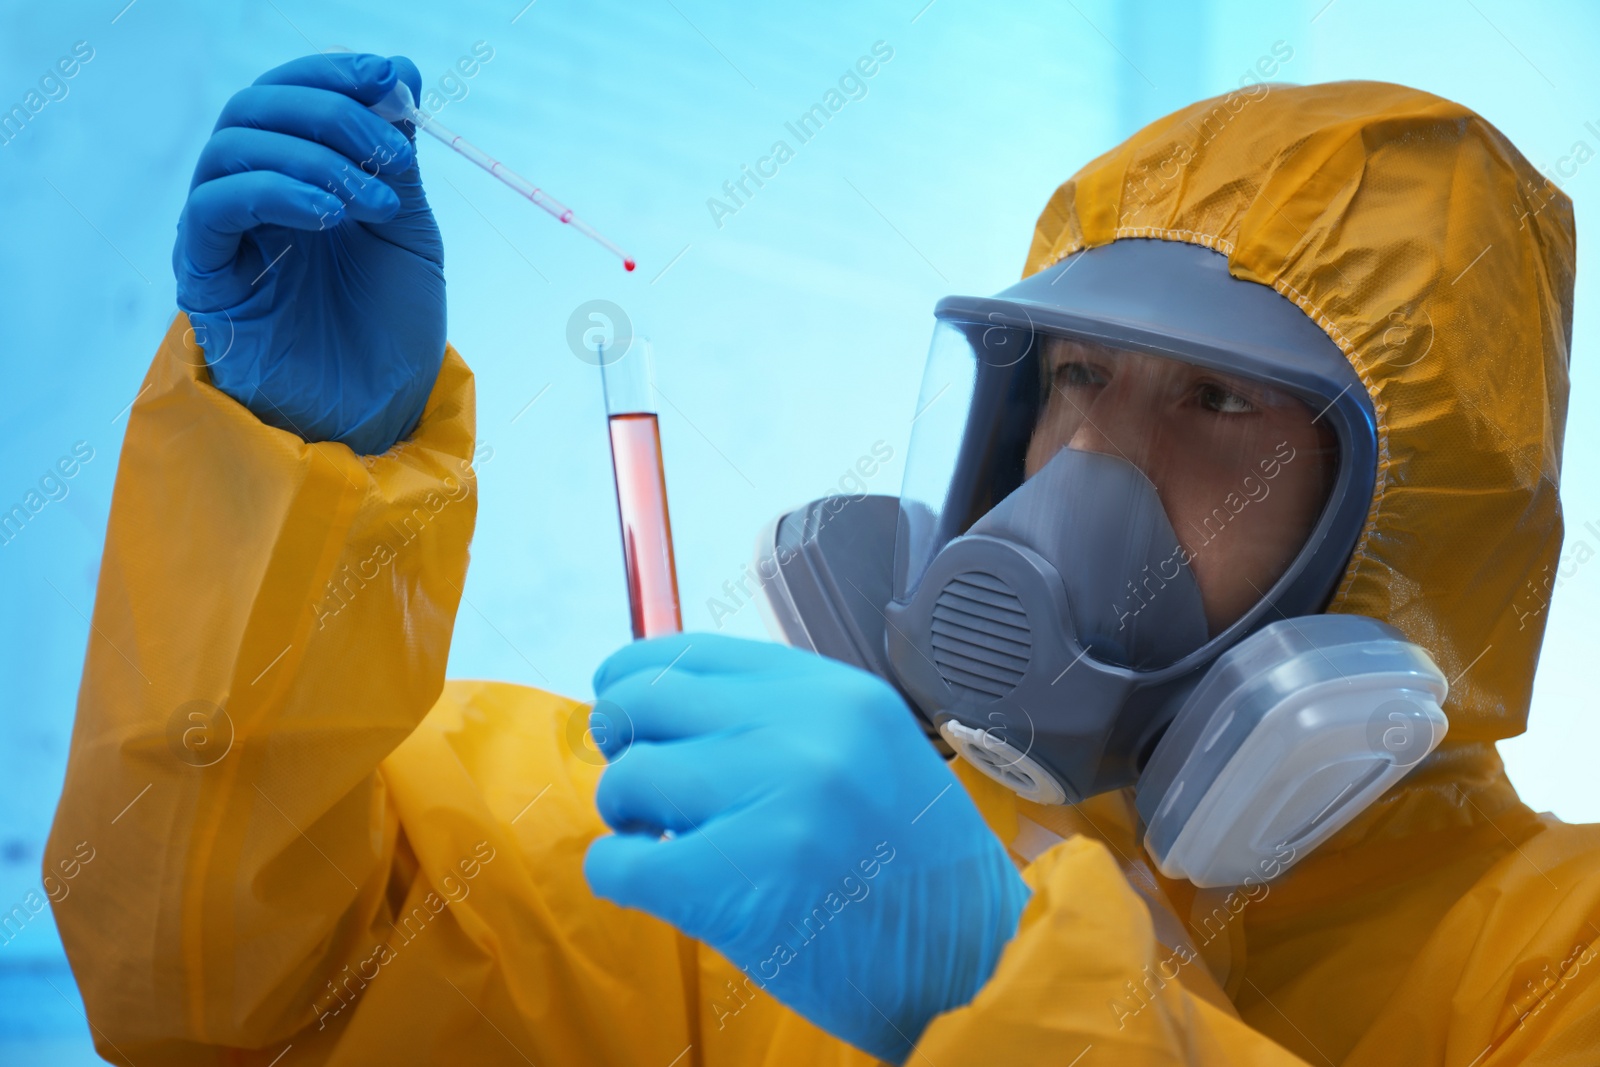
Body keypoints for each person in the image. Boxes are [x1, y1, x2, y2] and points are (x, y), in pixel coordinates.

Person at [44, 50, 1598, 1066]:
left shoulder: (1551, 967)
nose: (1085, 473)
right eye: (1071, 378)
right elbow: (231, 1003)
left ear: (1404, 533)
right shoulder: (799, 847)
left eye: (1215, 403)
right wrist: (300, 465)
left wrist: (1001, 1002)